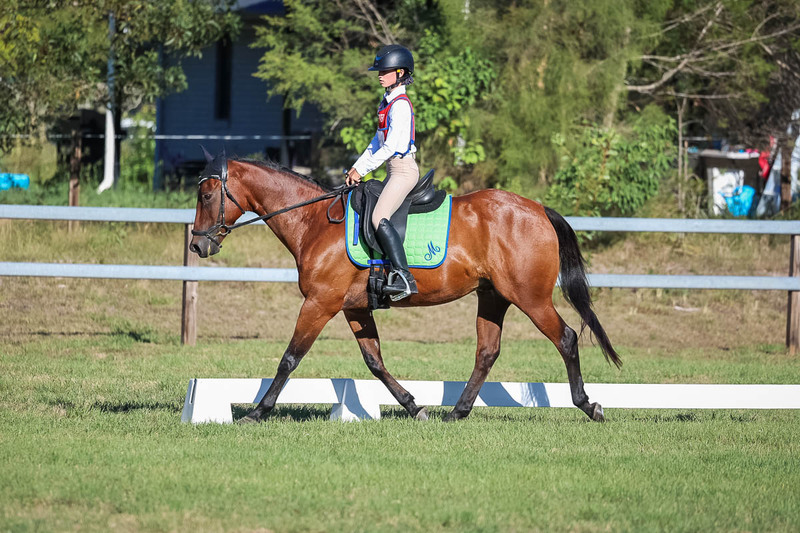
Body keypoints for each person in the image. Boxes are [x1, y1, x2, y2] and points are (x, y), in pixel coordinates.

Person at [345, 44, 419, 300]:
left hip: (403, 170)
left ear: (400, 73)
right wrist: (356, 168)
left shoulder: (400, 105)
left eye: (385, 70)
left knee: (379, 217)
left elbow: (391, 147)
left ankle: (405, 278)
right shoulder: (386, 103)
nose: (379, 74)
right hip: (392, 169)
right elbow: (376, 143)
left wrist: (365, 169)